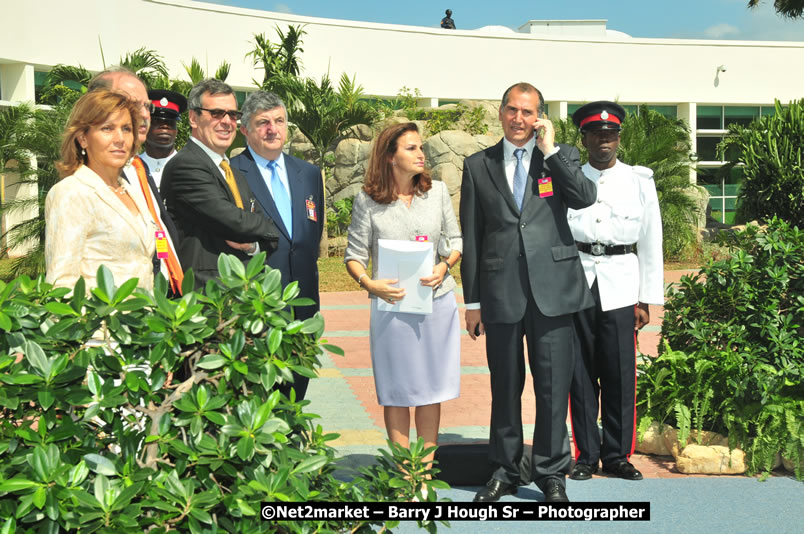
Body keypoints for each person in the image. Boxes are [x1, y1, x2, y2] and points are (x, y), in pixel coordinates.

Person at [460, 82, 597, 503]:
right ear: (500, 113)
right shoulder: (477, 165)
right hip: (501, 292)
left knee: (553, 386)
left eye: (528, 112)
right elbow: (473, 234)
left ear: (539, 116)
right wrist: (472, 302)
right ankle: (504, 469)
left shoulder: (561, 157)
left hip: (554, 290)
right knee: (505, 384)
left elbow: (584, 197)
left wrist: (551, 150)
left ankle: (552, 472)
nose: (519, 119)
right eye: (512, 111)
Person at [345, 122, 462, 469]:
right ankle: (403, 473)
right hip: (391, 308)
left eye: (420, 147)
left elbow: (455, 241)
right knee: (397, 390)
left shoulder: (437, 192)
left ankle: (424, 471)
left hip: (437, 304)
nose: (421, 154)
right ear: (390, 156)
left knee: (430, 389)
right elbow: (353, 256)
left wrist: (445, 266)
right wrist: (369, 284)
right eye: (411, 148)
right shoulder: (367, 201)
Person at [567, 101, 664, 482]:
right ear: (585, 138)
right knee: (581, 374)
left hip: (623, 284)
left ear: (618, 138)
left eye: (609, 135)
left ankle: (618, 455)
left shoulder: (639, 180)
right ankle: (586, 455)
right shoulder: (569, 177)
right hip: (577, 284)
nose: (603, 141)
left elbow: (651, 240)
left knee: (621, 374)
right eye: (596, 135)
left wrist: (647, 298)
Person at [231, 90, 324, 400]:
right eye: (263, 123)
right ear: (244, 129)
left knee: (296, 393)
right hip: (258, 304)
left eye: (279, 121)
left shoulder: (308, 174)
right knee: (259, 395)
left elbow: (310, 236)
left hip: (304, 302)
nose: (273, 129)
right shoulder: (232, 173)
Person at [161, 79, 279, 289]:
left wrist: (253, 245)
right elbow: (235, 222)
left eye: (233, 114)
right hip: (207, 297)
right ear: (193, 118)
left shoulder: (232, 171)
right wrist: (271, 228)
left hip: (242, 296)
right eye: (216, 113)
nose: (227, 122)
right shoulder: (186, 166)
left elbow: (261, 235)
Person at [46, 90, 155, 291]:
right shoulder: (72, 193)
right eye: (107, 128)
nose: (120, 138)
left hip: (145, 318)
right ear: (82, 138)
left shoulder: (131, 191)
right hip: (99, 320)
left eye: (126, 129)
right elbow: (61, 283)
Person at [87, 68, 184, 295]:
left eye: (146, 106)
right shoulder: (81, 185)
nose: (144, 115)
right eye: (130, 103)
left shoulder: (137, 169)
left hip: (161, 301)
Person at [139, 89, 187, 188]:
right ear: (144, 125)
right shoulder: (132, 168)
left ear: (176, 129)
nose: (165, 126)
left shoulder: (188, 168)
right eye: (157, 121)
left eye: (170, 121)